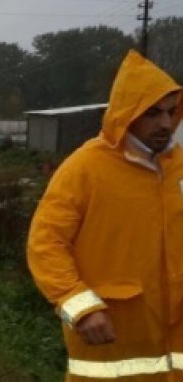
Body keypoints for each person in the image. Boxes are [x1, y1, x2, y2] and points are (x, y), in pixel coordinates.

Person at [27, 50, 183, 380]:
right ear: (128, 113)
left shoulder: (179, 169)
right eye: (153, 113)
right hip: (111, 343)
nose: (166, 123)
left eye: (171, 112)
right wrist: (80, 308)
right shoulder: (86, 168)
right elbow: (46, 244)